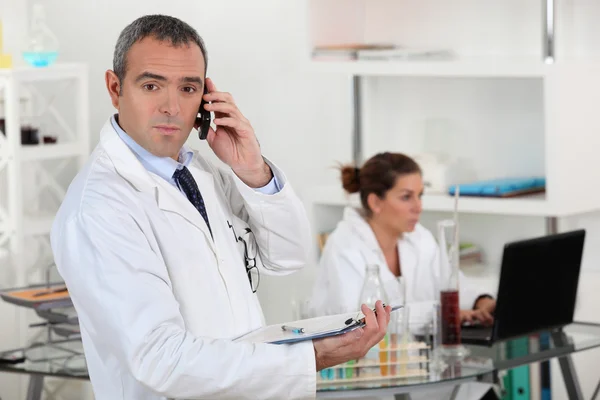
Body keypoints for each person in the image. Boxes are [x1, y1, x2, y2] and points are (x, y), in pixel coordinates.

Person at [50, 15, 390, 400]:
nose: (172, 107)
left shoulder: (203, 171)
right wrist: (309, 357)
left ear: (206, 97)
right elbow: (159, 358)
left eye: (188, 88)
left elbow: (289, 256)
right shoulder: (99, 207)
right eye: (151, 85)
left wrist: (253, 168)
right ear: (115, 88)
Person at [310, 152, 496, 323]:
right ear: (375, 202)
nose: (418, 206)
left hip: (409, 351)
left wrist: (481, 301)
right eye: (406, 197)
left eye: (420, 196)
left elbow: (451, 282)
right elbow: (360, 320)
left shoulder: (419, 237)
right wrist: (440, 313)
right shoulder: (345, 246)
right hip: (356, 358)